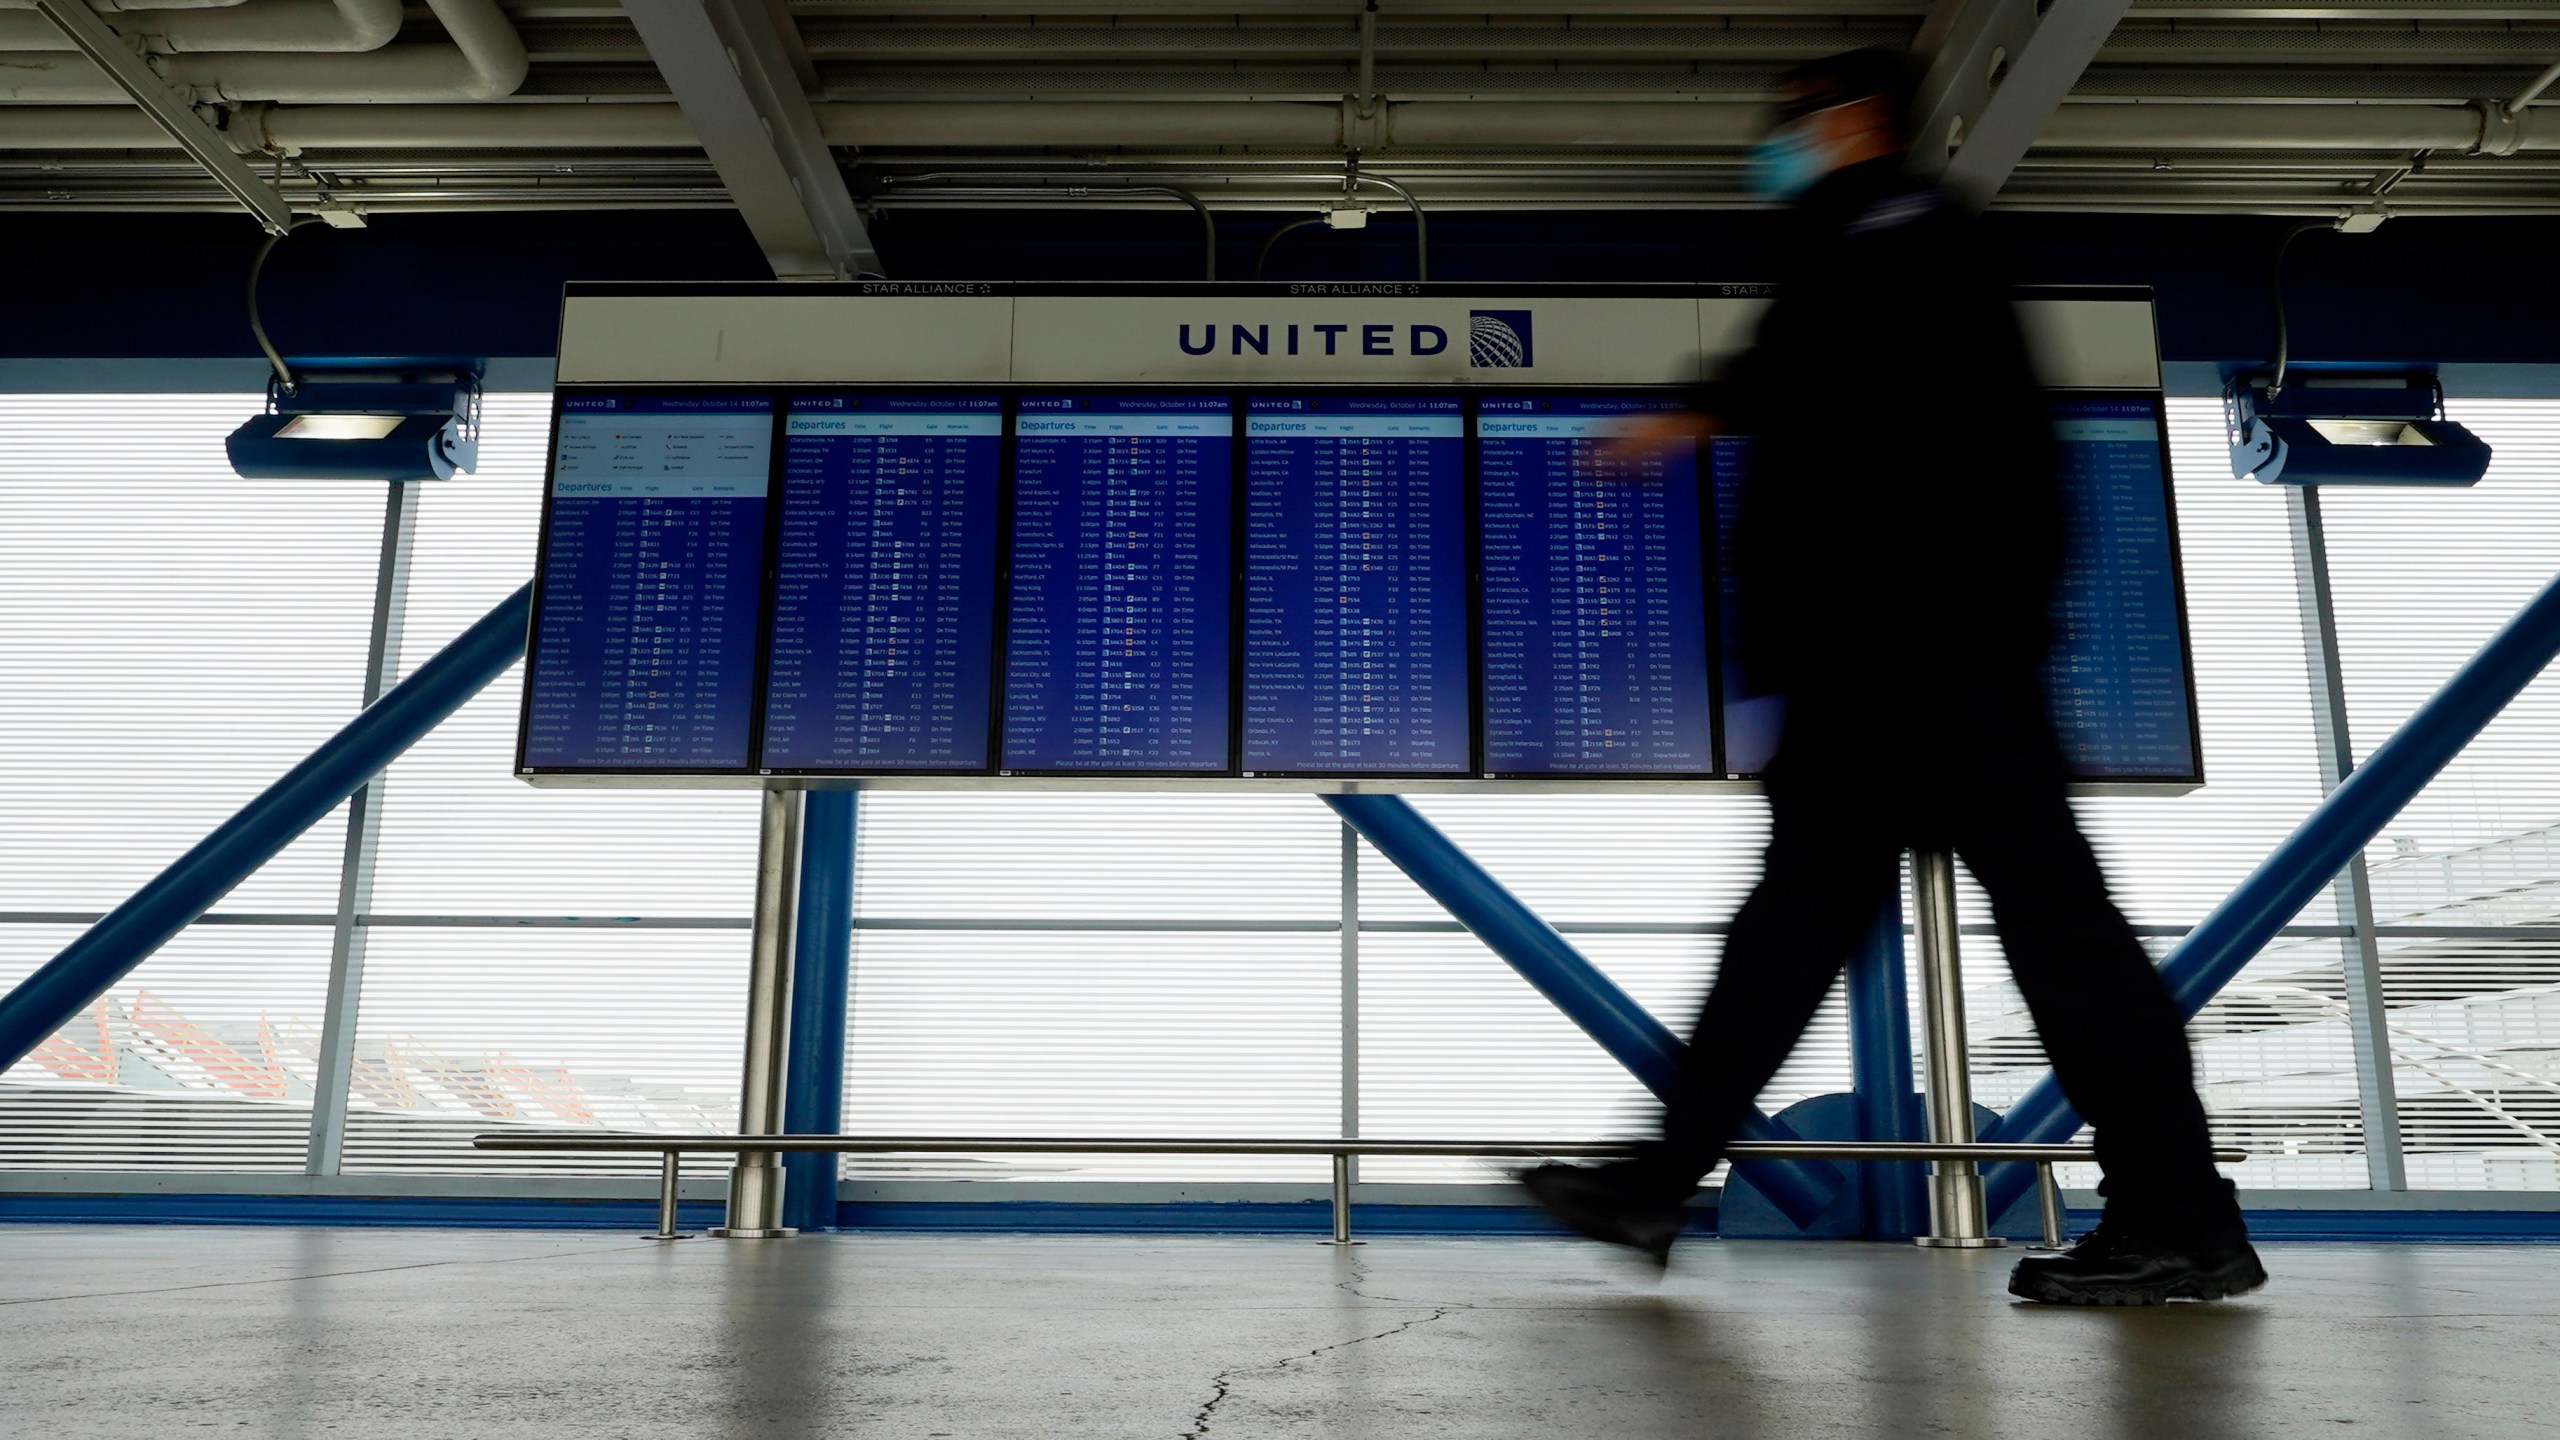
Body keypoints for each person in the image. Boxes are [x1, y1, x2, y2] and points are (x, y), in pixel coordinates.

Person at [1519, 46, 2265, 1307]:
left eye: (1793, 121)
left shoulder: (1899, 229)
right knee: (1816, 925)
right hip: (1891, 663)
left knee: (2038, 936)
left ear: (1855, 121)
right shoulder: (1874, 237)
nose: (1778, 143)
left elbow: (1838, 371)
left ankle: (2179, 1220)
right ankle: (1657, 1180)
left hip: (1927, 659)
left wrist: (1696, 410)